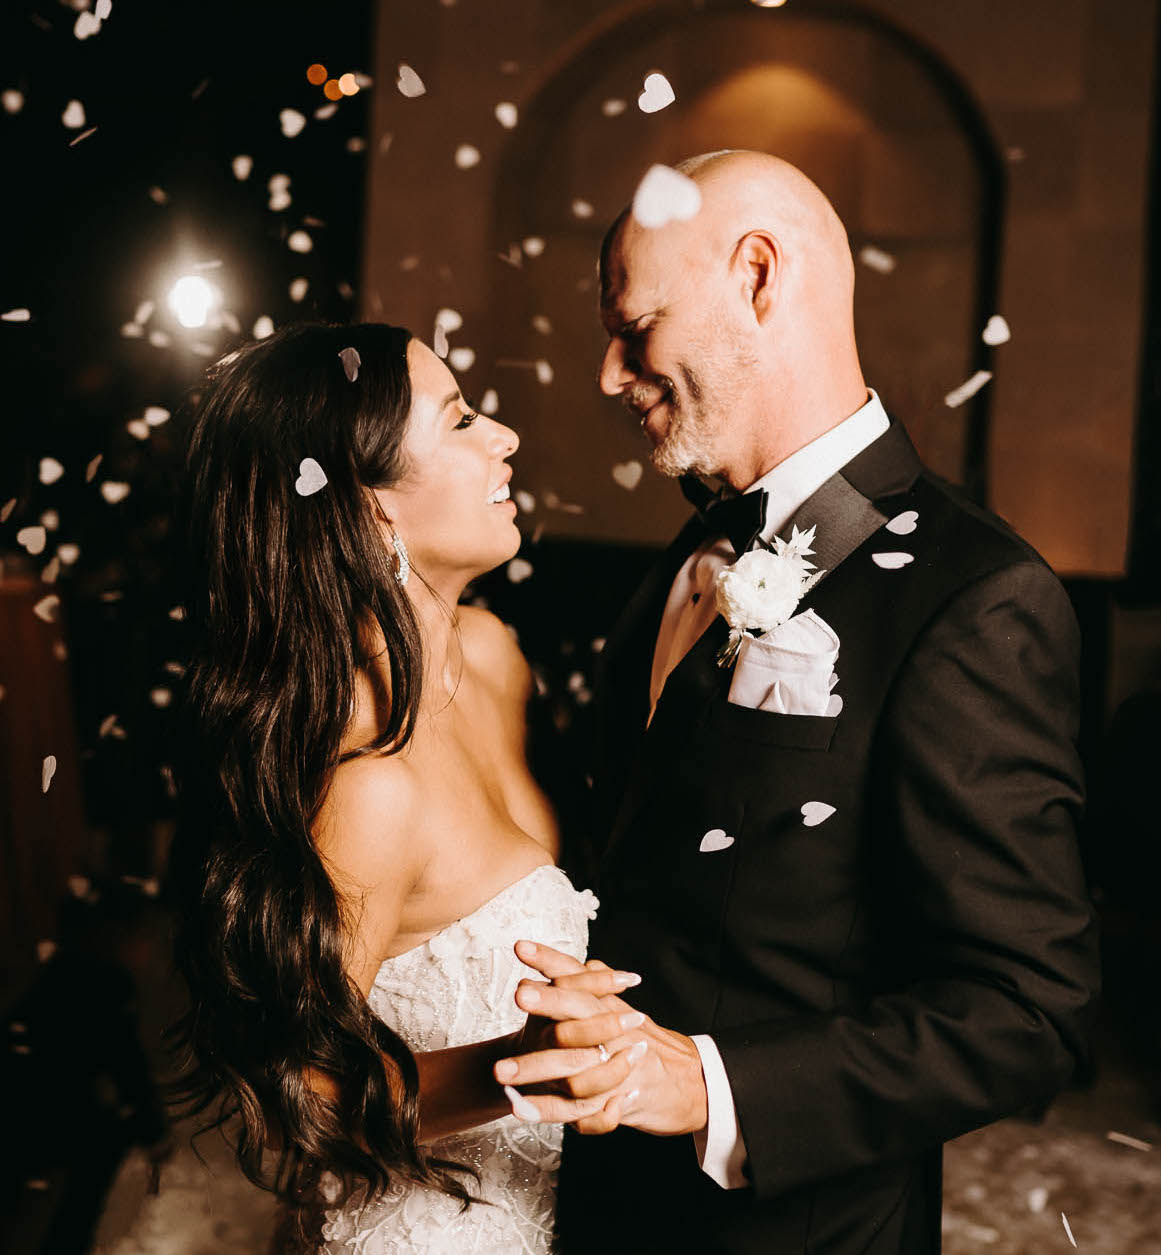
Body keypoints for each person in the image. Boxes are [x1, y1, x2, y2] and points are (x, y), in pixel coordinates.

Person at [496, 151, 1102, 1253]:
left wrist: (711, 1084)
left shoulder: (974, 598)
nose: (607, 373)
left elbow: (1030, 1007)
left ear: (758, 275)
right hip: (590, 1213)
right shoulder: (684, 559)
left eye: (635, 329)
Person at [167, 323, 641, 1254]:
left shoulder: (496, 659)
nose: (502, 436)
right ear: (371, 509)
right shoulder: (364, 783)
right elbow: (290, 1101)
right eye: (461, 419)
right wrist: (515, 1069)